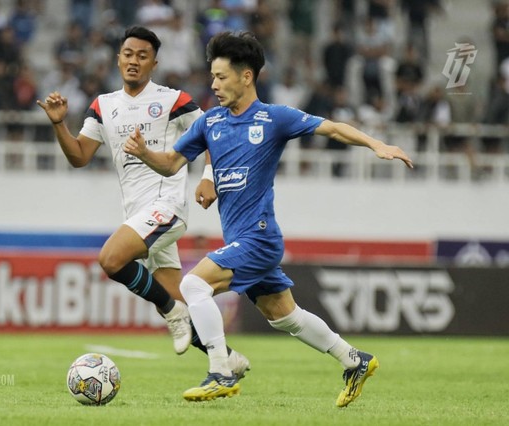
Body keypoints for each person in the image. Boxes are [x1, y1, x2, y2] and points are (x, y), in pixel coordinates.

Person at [123, 31, 413, 406]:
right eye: (212, 76)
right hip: (241, 240)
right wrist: (144, 152)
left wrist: (377, 145)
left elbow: (333, 127)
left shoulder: (274, 118)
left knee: (194, 287)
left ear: (247, 76)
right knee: (284, 315)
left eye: (221, 77)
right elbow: (170, 164)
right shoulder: (210, 123)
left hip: (259, 237)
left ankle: (220, 372)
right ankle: (354, 359)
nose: (214, 84)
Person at [37, 26, 250, 375]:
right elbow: (79, 157)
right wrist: (60, 125)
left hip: (166, 206)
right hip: (138, 213)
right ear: (118, 59)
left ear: (154, 63)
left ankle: (172, 314)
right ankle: (226, 357)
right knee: (174, 296)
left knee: (111, 259)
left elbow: (215, 133)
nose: (134, 61)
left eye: (142, 56)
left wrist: (209, 177)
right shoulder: (103, 107)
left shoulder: (174, 100)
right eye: (128, 54)